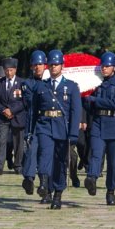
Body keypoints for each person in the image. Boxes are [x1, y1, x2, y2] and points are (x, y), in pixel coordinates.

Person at [30, 50, 81, 209]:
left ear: (62, 66)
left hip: (62, 127)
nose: (53, 67)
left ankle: (58, 193)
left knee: (60, 161)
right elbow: (34, 109)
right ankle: (44, 183)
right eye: (50, 65)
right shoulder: (42, 85)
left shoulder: (71, 86)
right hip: (45, 125)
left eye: (56, 64)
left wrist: (73, 133)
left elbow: (75, 111)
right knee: (45, 155)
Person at [83, 51, 115, 206]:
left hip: (114, 124)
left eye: (107, 66)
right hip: (97, 122)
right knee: (95, 154)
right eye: (102, 66)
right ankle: (92, 178)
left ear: (114, 67)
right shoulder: (95, 83)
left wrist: (95, 99)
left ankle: (111, 191)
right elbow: (88, 103)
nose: (104, 69)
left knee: (113, 162)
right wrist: (86, 99)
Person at [20, 50, 47, 198]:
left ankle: (44, 184)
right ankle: (29, 178)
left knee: (46, 154)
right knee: (31, 150)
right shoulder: (27, 84)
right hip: (34, 122)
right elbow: (31, 101)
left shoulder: (51, 82)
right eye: (35, 64)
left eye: (40, 64)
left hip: (49, 122)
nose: (38, 67)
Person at [0, 58, 26, 175]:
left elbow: (24, 101)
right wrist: (4, 110)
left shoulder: (22, 83)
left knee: (18, 142)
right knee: (1, 141)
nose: (8, 73)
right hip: (3, 117)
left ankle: (18, 165)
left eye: (11, 70)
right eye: (6, 70)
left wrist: (12, 110)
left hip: (17, 116)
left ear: (15, 70)